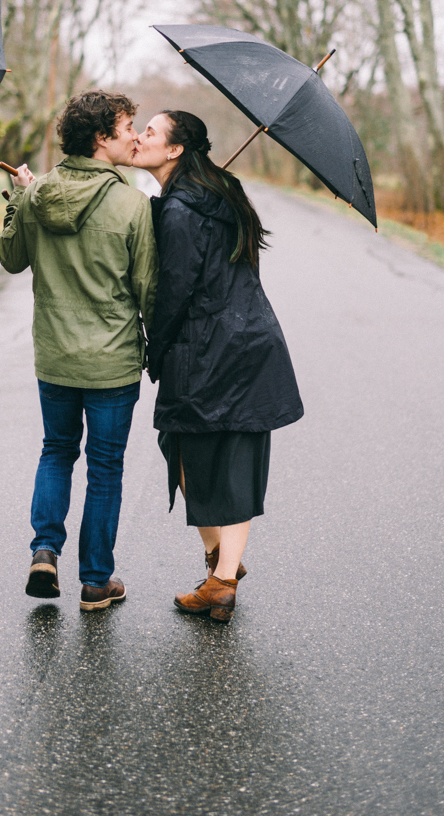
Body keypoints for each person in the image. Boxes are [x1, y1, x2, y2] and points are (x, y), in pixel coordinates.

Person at [133, 110, 303, 623]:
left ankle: (223, 581)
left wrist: (153, 347)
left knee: (212, 456)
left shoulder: (186, 208)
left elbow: (176, 290)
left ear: (175, 150)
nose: (139, 137)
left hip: (212, 347)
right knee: (202, 451)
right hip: (246, 341)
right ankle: (220, 566)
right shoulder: (214, 193)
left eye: (150, 132)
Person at [0, 90, 157, 611]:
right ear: (101, 138)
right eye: (128, 126)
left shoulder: (38, 194)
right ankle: (96, 581)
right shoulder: (133, 204)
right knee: (105, 467)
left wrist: (20, 201)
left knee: (57, 451)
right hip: (112, 363)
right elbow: (147, 290)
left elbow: (12, 260)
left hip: (55, 356)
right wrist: (157, 350)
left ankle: (44, 549)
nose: (135, 135)